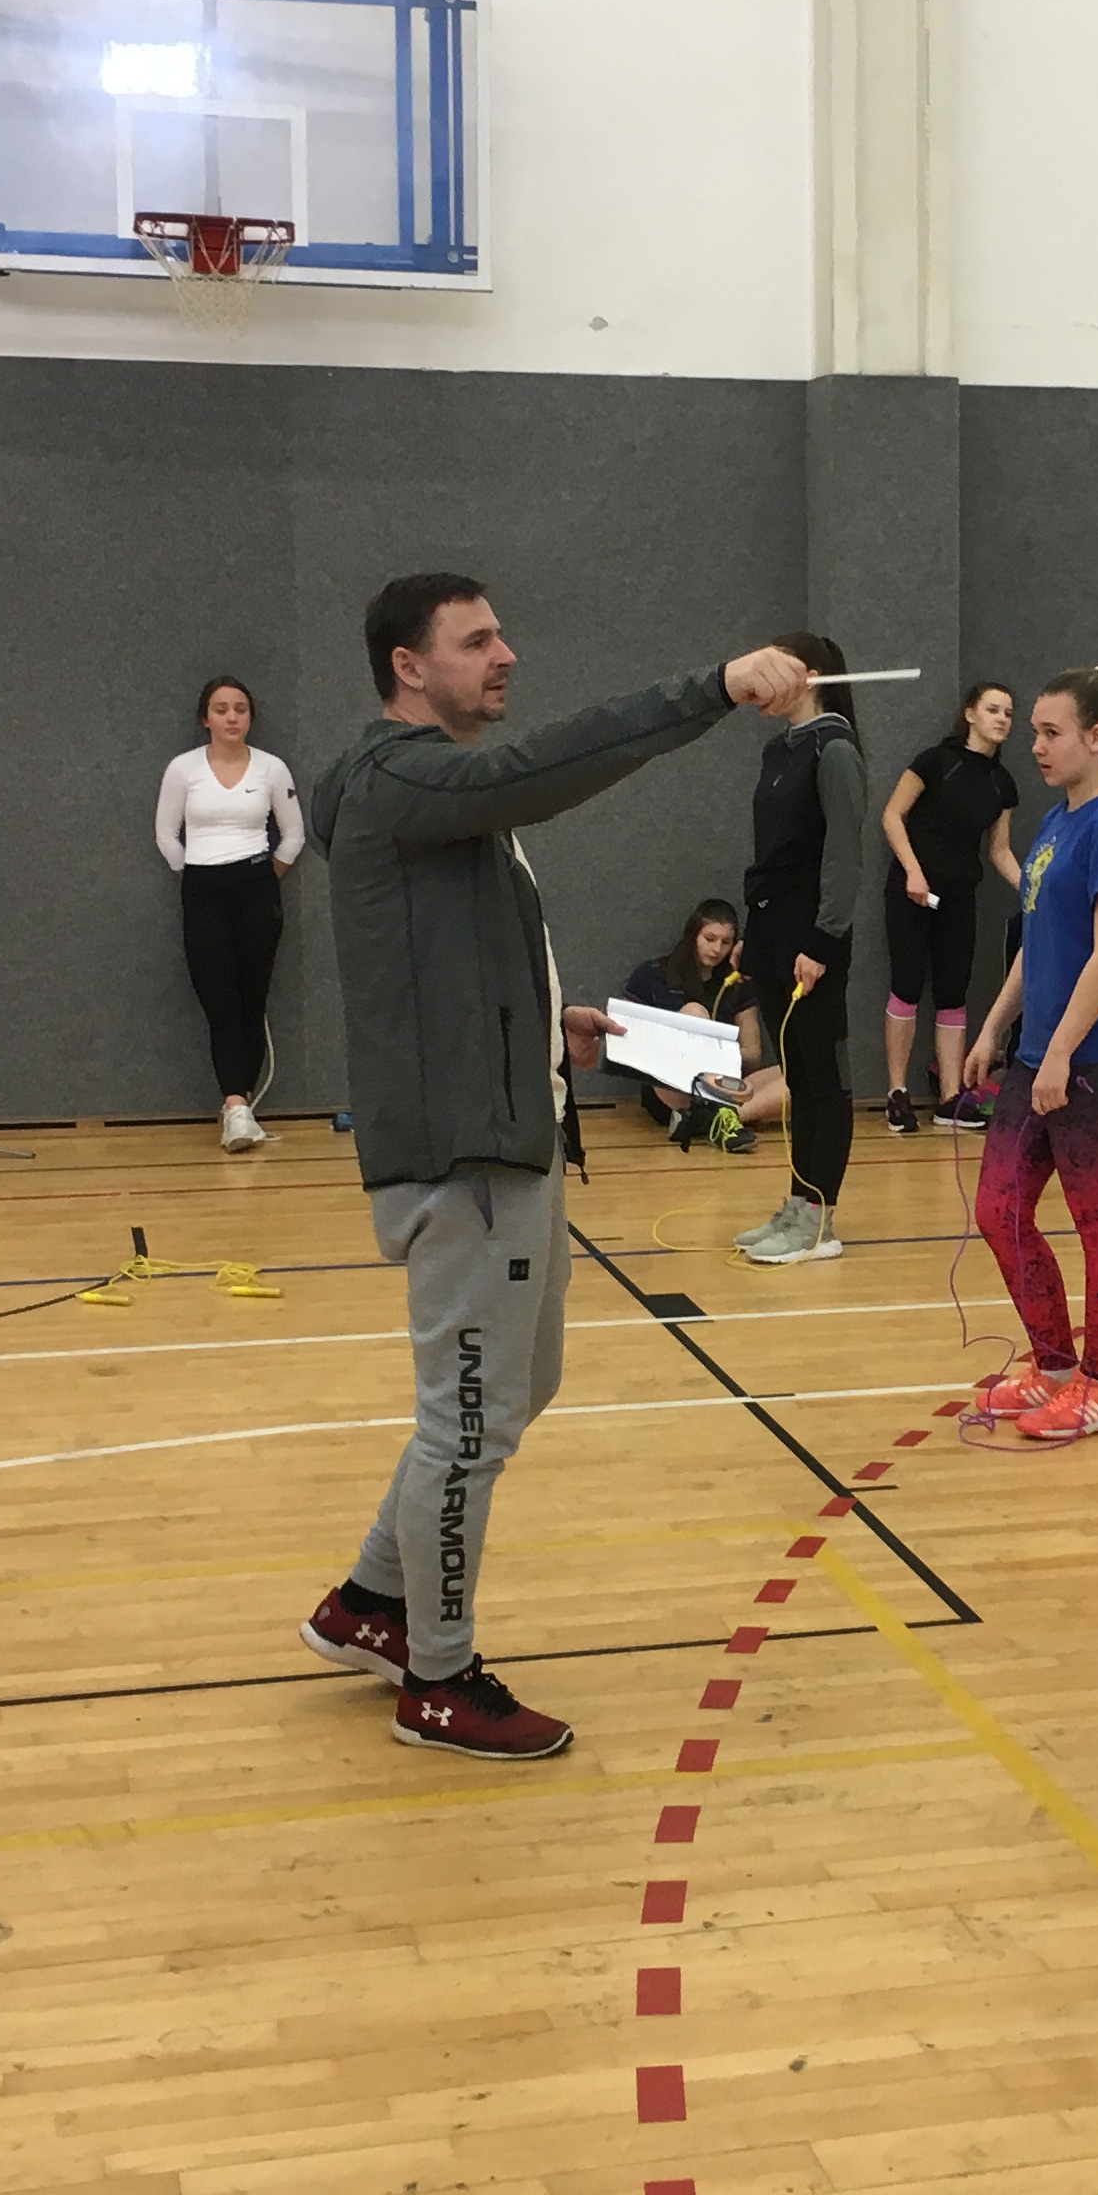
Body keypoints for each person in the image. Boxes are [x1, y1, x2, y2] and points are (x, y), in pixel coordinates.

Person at [291, 572, 808, 1761]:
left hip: (505, 1132)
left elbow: (440, 958)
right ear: (409, 667)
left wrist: (538, 1022)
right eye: (477, 641)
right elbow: (548, 764)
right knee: (466, 1426)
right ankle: (437, 1678)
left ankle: (370, 1603)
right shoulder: (409, 776)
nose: (506, 655)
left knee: (517, 1390)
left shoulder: (423, 795)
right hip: (465, 1158)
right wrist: (714, 688)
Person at [961, 670, 1098, 1441]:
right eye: (1034, 732)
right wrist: (993, 1029)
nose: (1037, 746)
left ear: (1097, 737)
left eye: (1051, 732)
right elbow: (1039, 943)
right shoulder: (1054, 822)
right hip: (1040, 1055)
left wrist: (1061, 1055)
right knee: (999, 1209)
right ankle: (1051, 1367)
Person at [734, 637, 867, 1267]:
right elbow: (774, 855)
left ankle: (818, 1221)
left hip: (813, 940)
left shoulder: (834, 750)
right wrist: (753, 933)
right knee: (798, 1078)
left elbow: (843, 855)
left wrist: (822, 939)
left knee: (821, 1079)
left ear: (808, 676)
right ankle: (795, 1205)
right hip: (773, 934)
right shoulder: (779, 749)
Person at [153, 675, 304, 1152]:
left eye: (240, 708)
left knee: (251, 1001)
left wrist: (262, 877)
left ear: (250, 717)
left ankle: (241, 1110)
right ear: (206, 719)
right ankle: (235, 1106)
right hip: (203, 891)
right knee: (219, 1001)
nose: (232, 717)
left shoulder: (272, 769)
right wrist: (196, 874)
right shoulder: (183, 769)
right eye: (221, 709)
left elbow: (294, 835)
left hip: (256, 887)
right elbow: (165, 834)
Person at [878, 681, 1022, 1134]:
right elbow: (892, 815)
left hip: (959, 897)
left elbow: (999, 850)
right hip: (911, 892)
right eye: (993, 710)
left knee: (953, 993)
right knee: (906, 986)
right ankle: (897, 1092)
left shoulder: (1002, 783)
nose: (1002, 719)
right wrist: (913, 872)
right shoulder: (936, 761)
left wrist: (1033, 888)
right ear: (970, 714)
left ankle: (949, 1097)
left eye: (1008, 713)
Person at [620, 898, 753, 1146]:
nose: (717, 949)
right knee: (694, 1012)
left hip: (726, 1084)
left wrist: (722, 1054)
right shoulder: (652, 975)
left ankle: (708, 1120)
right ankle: (711, 1115)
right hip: (672, 1087)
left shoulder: (737, 983)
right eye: (709, 939)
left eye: (726, 942)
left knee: (794, 1077)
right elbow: (627, 1040)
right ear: (693, 936)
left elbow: (753, 1053)